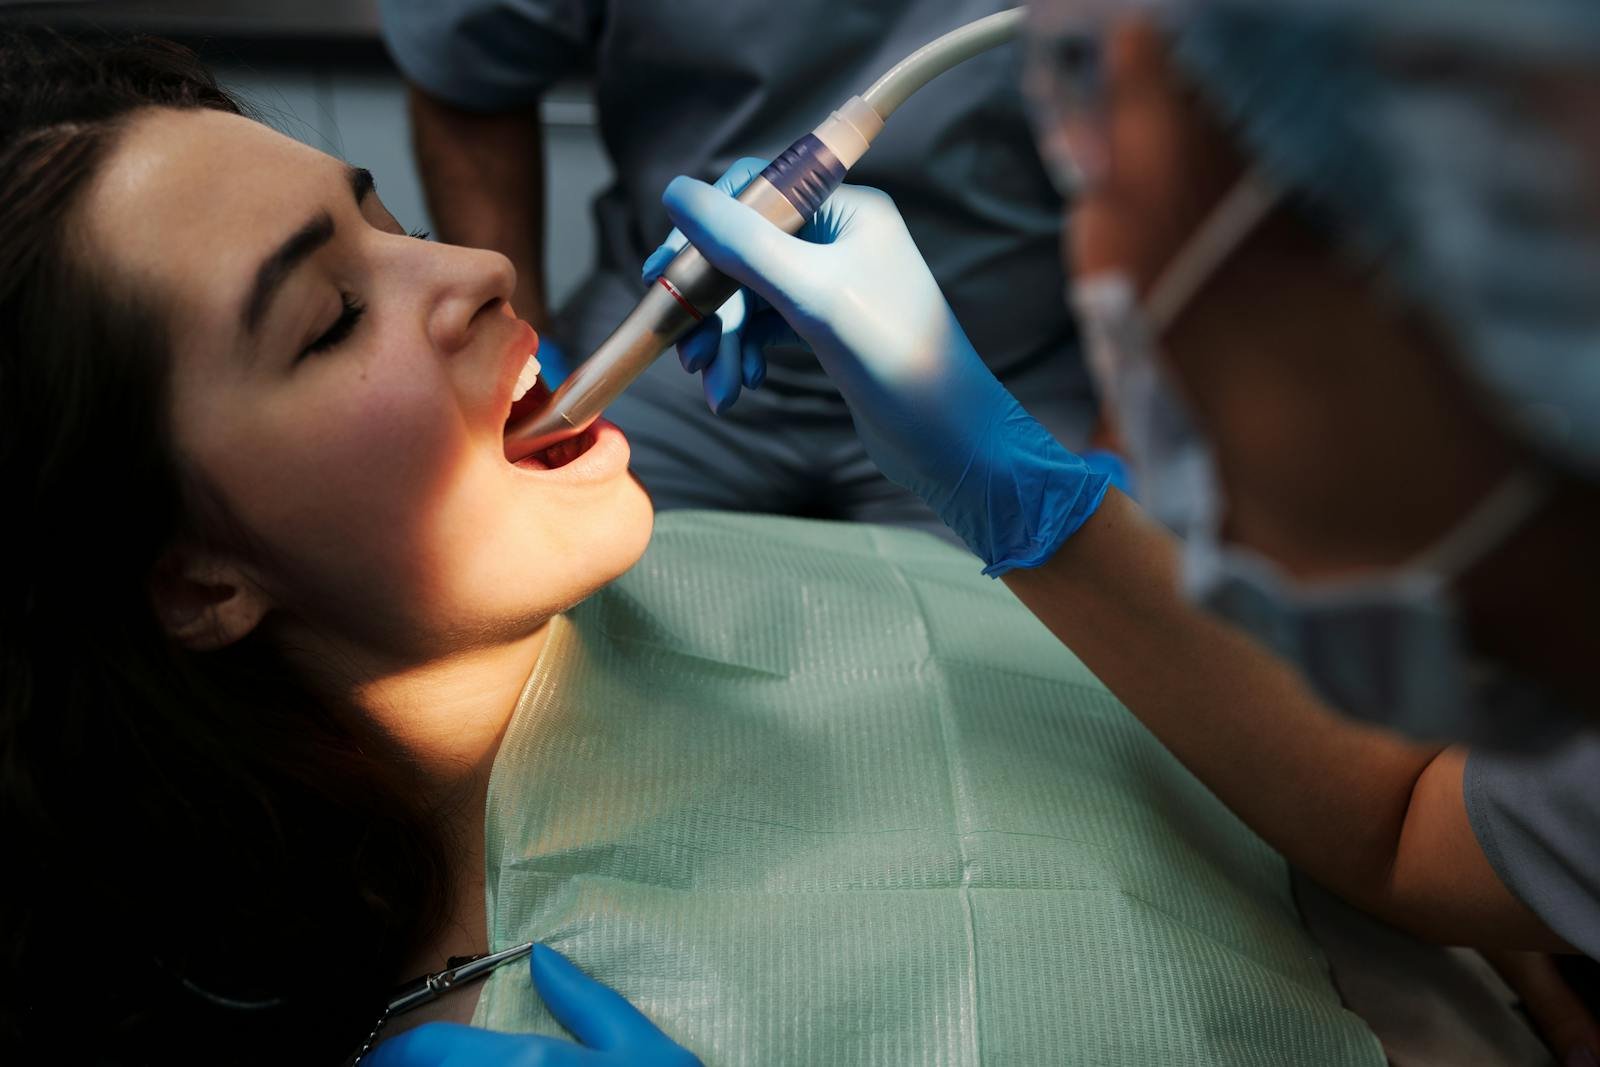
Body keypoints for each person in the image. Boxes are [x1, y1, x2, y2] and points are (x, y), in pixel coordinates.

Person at [0, 26, 1380, 1067]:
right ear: (196, 581)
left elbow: (1425, 816)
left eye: (392, 223)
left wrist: (1430, 839)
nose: (479, 272)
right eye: (328, 318)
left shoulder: (718, 564)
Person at [376, 0, 1101, 539]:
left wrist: (1113, 439)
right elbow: (468, 67)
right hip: (680, 352)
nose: (472, 285)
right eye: (336, 316)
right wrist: (536, 360)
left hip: (1009, 371)